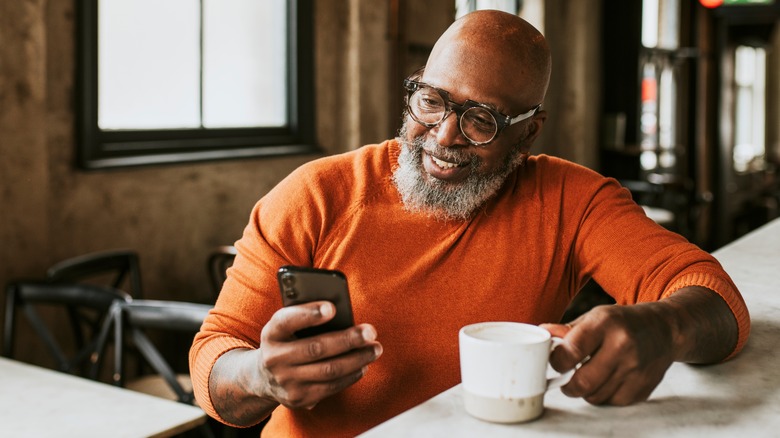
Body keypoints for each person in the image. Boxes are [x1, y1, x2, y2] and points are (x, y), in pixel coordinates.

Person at [190, 10, 750, 437]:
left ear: (529, 132)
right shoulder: (315, 194)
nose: (444, 136)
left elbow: (714, 297)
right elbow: (213, 361)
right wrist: (261, 374)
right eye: (431, 101)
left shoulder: (572, 201)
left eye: (480, 119)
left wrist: (665, 328)